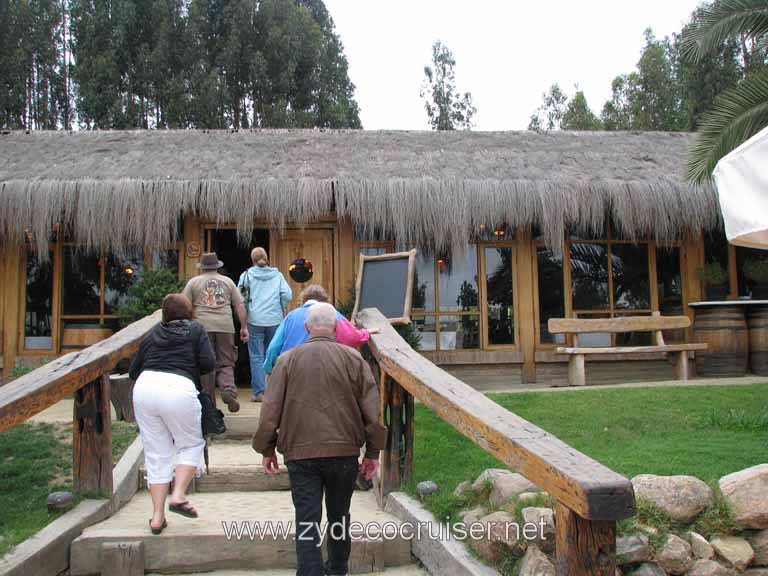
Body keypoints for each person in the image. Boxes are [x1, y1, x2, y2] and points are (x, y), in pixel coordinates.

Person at [252, 303, 386, 576]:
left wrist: (266, 448)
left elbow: (270, 410)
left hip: (300, 454)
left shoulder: (286, 360)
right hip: (344, 452)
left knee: (307, 519)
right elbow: (373, 411)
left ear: (306, 327)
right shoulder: (354, 359)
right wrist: (373, 452)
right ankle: (338, 570)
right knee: (340, 515)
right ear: (336, 328)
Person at [130, 294, 214, 534]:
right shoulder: (196, 330)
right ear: (189, 312)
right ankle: (178, 494)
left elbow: (134, 369)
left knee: (156, 454)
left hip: (145, 387)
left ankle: (157, 517)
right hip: (178, 386)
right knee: (191, 444)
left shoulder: (151, 334)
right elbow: (208, 363)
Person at [182, 252, 248, 413]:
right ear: (217, 266)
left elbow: (184, 305)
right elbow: (239, 306)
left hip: (201, 327)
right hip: (225, 327)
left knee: (206, 364)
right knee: (226, 362)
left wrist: (187, 325)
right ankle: (228, 390)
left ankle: (209, 404)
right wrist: (244, 327)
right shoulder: (228, 282)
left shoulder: (193, 282)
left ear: (202, 267)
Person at [263, 284, 374, 375]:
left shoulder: (290, 317)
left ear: (303, 300)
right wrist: (365, 333)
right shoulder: (333, 314)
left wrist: (269, 369)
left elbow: (273, 347)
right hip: (324, 370)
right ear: (325, 300)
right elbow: (351, 338)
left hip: (290, 370)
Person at [237, 247, 292, 402]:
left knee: (256, 356)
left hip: (254, 320)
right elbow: (287, 294)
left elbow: (240, 297)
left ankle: (259, 393)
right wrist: (280, 307)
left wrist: (246, 315)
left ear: (252, 259)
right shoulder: (278, 275)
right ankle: (274, 391)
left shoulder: (246, 275)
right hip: (274, 319)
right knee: (273, 355)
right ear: (267, 259)